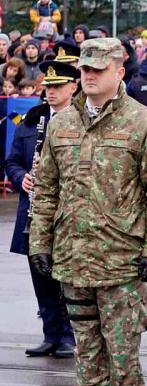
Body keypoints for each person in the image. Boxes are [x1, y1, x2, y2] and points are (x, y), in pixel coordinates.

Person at [28, 37, 147, 386]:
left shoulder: (143, 123)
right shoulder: (61, 124)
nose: (90, 76)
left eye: (98, 69)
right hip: (74, 258)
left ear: (119, 72)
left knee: (122, 349)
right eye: (85, 70)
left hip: (122, 262)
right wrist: (40, 242)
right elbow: (46, 191)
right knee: (87, 349)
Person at [5, 53, 80, 358]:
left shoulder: (84, 119)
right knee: (41, 276)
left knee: (66, 278)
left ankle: (70, 336)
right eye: (48, 86)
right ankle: (51, 334)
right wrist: (21, 177)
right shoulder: (33, 119)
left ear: (73, 87)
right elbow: (12, 160)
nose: (51, 91)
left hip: (66, 211)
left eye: (58, 86)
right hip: (33, 212)